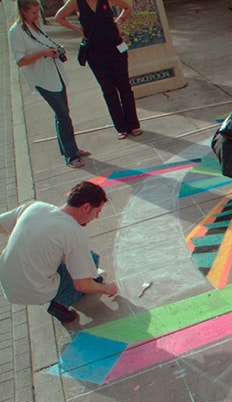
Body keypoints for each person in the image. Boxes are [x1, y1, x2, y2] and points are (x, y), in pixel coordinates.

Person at [0, 181, 119, 324]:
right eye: (97, 211)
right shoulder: (74, 232)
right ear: (86, 207)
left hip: (7, 283)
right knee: (91, 259)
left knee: (69, 257)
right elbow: (82, 285)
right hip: (35, 291)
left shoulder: (35, 207)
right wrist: (106, 288)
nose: (96, 217)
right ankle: (61, 303)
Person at [9, 0, 91, 168]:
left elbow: (44, 43)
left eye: (37, 13)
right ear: (23, 12)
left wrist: (54, 50)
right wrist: (43, 53)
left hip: (55, 75)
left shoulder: (36, 25)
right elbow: (21, 61)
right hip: (42, 79)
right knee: (62, 114)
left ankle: (70, 148)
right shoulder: (16, 31)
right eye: (33, 13)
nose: (36, 16)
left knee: (63, 113)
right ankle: (70, 155)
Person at [55, 0, 141, 140]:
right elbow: (59, 17)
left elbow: (127, 7)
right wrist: (78, 29)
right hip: (95, 52)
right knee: (108, 90)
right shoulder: (76, 2)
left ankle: (133, 124)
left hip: (115, 47)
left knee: (124, 86)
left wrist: (119, 22)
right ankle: (121, 127)